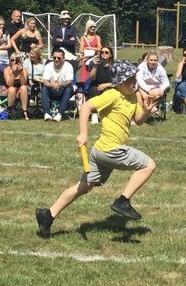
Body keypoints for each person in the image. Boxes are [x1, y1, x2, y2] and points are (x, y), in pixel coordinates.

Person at [35, 60, 153, 238]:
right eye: (130, 79)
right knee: (148, 165)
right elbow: (87, 106)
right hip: (110, 150)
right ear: (120, 81)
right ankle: (123, 201)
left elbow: (138, 120)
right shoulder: (112, 94)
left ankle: (47, 215)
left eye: (134, 78)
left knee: (84, 186)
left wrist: (147, 110)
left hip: (100, 152)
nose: (134, 82)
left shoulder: (132, 96)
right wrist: (83, 133)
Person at [40, 48, 76, 121]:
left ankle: (60, 114)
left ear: (63, 58)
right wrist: (52, 85)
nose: (56, 59)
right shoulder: (48, 66)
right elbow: (45, 81)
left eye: (59, 58)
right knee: (44, 88)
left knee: (69, 88)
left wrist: (60, 85)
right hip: (52, 90)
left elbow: (69, 81)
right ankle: (46, 113)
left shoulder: (68, 66)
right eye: (54, 58)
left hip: (63, 90)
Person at [134, 51, 169, 120]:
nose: (153, 62)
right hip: (143, 89)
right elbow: (139, 80)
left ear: (157, 61)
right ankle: (149, 107)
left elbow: (166, 82)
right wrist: (148, 90)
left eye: (155, 60)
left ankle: (143, 112)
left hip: (156, 89)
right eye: (151, 60)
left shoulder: (160, 68)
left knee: (159, 92)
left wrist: (162, 88)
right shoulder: (142, 66)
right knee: (139, 91)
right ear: (147, 60)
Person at [2, 55, 30, 119]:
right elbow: (9, 84)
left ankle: (24, 111)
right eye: (12, 60)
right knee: (12, 89)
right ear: (9, 61)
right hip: (9, 90)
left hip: (21, 90)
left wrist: (21, 73)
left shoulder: (24, 70)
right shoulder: (7, 70)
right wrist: (13, 73)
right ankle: (10, 111)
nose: (14, 62)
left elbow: (23, 83)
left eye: (17, 60)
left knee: (23, 88)